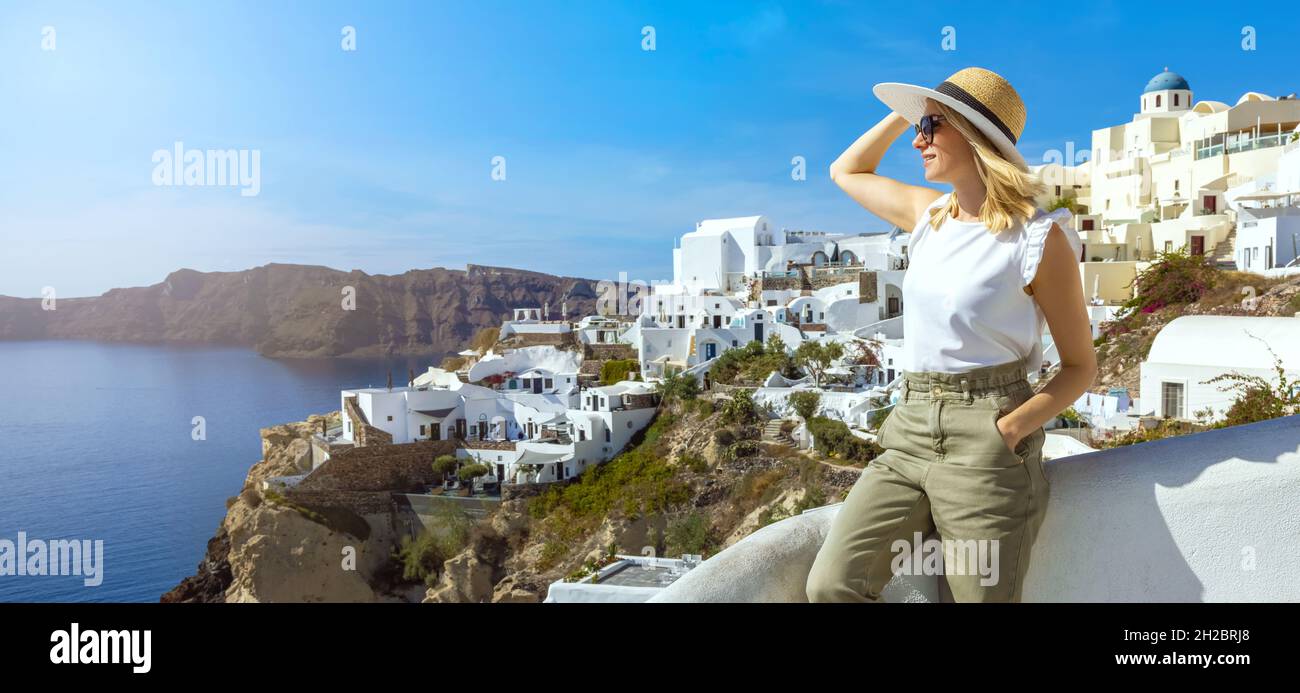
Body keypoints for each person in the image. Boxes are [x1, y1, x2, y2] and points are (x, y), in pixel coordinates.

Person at [805, 67, 1097, 602]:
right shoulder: (928, 216)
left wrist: (1008, 430)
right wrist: (912, 108)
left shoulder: (1037, 239)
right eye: (921, 126)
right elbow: (846, 170)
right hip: (909, 426)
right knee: (832, 585)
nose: (919, 139)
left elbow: (1081, 366)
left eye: (933, 126)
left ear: (975, 136)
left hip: (987, 433)